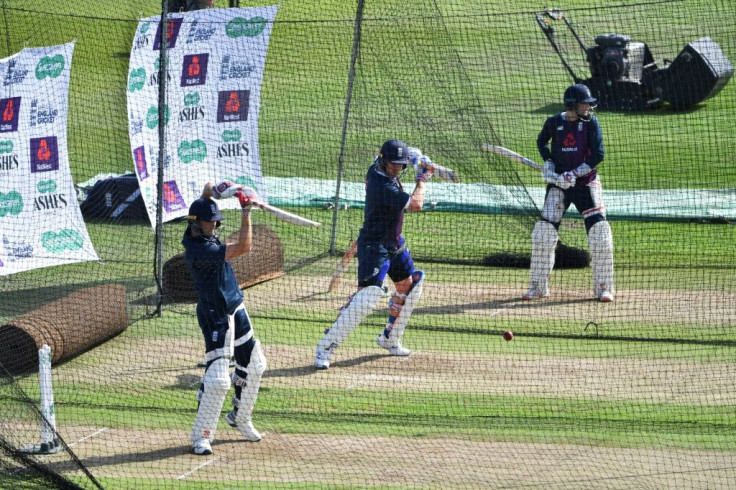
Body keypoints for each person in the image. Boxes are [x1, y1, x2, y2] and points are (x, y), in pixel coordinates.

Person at [315, 139, 434, 369]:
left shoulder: (379, 167)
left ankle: (390, 339)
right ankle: (325, 348)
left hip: (393, 242)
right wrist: (422, 178)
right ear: (382, 160)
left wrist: (415, 157)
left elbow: (402, 158)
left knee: (410, 286)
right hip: (374, 246)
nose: (397, 168)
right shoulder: (382, 185)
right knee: (367, 298)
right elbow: (417, 204)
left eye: (400, 165)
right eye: (393, 164)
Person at [183, 182, 266, 455]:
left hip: (236, 306)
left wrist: (223, 189)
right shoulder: (197, 250)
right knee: (219, 380)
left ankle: (240, 418)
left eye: (215, 222)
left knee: (256, 364)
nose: (214, 228)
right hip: (214, 314)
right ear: (195, 224)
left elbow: (206, 191)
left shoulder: (202, 227)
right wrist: (245, 211)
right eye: (209, 224)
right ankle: (201, 437)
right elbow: (244, 247)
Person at [523, 83, 615, 302]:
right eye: (584, 104)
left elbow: (598, 154)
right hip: (559, 185)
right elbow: (541, 141)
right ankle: (538, 286)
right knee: (543, 234)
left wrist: (574, 173)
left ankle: (604, 287)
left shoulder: (591, 122)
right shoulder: (554, 122)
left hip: (585, 184)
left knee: (600, 234)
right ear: (573, 105)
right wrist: (549, 163)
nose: (588, 108)